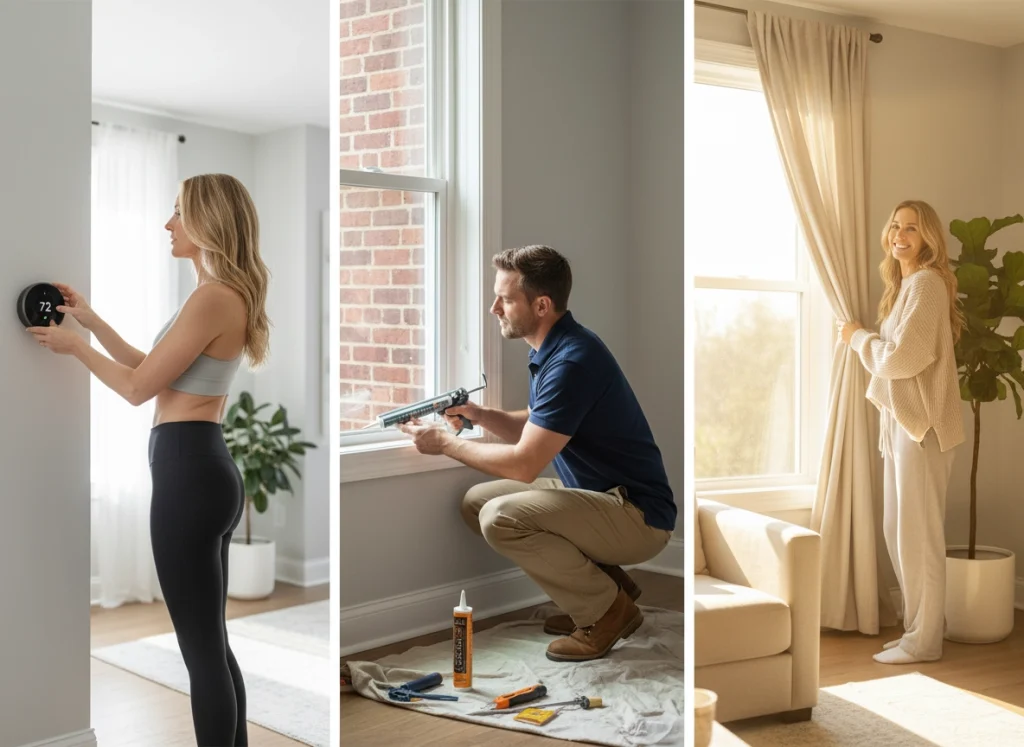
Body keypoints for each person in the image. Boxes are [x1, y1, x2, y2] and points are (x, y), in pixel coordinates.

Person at [28, 173, 270, 745]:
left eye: (180, 212)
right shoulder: (223, 295)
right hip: (205, 467)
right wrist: (90, 321)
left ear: (209, 221)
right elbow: (151, 366)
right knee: (212, 643)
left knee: (201, 652)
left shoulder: (213, 297)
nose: (168, 223)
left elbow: (137, 390)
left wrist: (74, 347)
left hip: (188, 471)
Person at [398, 244, 676, 662]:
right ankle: (607, 593)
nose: (495, 308)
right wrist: (478, 414)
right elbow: (538, 426)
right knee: (478, 502)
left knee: (501, 516)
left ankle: (606, 614)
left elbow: (526, 464)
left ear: (541, 304)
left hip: (636, 514)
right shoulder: (557, 348)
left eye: (506, 299)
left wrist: (447, 445)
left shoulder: (572, 361)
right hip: (601, 497)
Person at [838, 199, 964, 665]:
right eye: (895, 226)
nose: (899, 234)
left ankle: (925, 641)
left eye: (911, 228)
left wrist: (856, 338)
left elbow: (901, 360)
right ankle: (917, 630)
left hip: (923, 429)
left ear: (927, 237)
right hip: (902, 426)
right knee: (899, 532)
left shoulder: (927, 284)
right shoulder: (906, 286)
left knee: (918, 535)